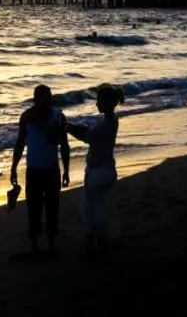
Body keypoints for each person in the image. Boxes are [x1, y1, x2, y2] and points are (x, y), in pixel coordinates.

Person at [10, 85, 71, 253]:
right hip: (33, 170)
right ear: (35, 99)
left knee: (52, 208)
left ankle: (51, 244)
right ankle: (35, 245)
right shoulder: (27, 117)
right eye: (42, 98)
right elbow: (20, 143)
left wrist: (66, 170)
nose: (45, 102)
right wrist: (14, 167)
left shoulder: (58, 116)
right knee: (33, 209)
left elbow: (64, 145)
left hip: (52, 169)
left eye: (47, 98)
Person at [67, 84, 122, 256]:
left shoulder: (104, 124)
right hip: (107, 169)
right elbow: (88, 131)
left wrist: (67, 127)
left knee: (91, 209)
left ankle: (98, 243)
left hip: (98, 171)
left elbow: (86, 136)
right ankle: (96, 242)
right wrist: (69, 126)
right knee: (89, 207)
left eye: (99, 100)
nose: (96, 103)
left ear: (105, 102)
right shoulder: (111, 120)